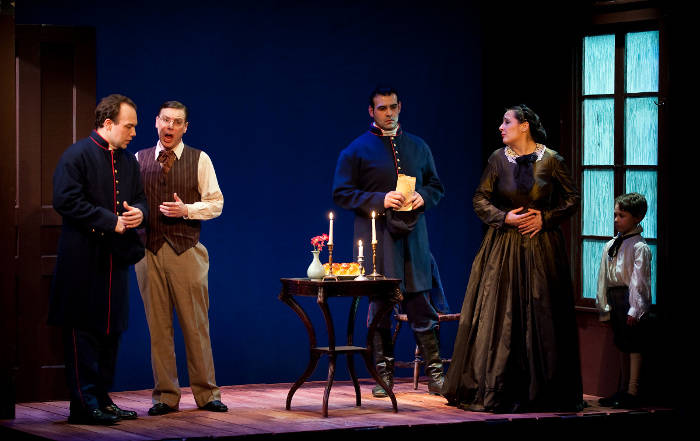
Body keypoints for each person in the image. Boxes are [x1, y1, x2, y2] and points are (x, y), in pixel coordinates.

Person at [443, 104, 583, 413]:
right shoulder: (498, 159)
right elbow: (480, 198)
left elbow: (572, 198)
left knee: (541, 312)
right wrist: (503, 217)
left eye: (507, 122)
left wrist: (546, 218)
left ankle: (542, 390)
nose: (501, 127)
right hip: (503, 247)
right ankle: (498, 387)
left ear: (524, 126)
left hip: (540, 248)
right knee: (502, 314)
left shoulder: (551, 160)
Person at [333, 86, 448, 397]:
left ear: (400, 107)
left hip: (414, 237)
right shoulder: (356, 149)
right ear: (371, 111)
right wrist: (380, 199)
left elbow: (436, 186)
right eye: (382, 108)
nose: (388, 113)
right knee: (381, 305)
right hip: (378, 237)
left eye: (393, 107)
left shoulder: (418, 146)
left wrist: (423, 197)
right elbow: (341, 193)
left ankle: (436, 375)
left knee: (421, 303)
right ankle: (383, 375)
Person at [50, 94, 147, 425]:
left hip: (114, 262)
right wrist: (110, 221)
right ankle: (84, 404)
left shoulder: (128, 162)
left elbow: (140, 199)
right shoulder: (77, 155)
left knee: (111, 333)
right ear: (108, 123)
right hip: (83, 260)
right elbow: (65, 200)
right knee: (85, 334)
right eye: (129, 126)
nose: (134, 132)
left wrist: (139, 214)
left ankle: (103, 399)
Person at [135, 101, 227, 415]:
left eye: (177, 122)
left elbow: (216, 203)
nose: (170, 126)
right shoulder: (138, 159)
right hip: (148, 251)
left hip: (186, 250)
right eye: (166, 120)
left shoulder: (199, 159)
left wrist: (186, 209)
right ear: (156, 122)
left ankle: (207, 393)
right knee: (158, 328)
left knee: (195, 325)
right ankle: (165, 396)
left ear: (185, 127)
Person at [596, 193, 651, 409]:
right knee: (621, 343)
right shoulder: (611, 244)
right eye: (615, 215)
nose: (616, 219)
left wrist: (635, 309)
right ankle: (622, 388)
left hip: (630, 300)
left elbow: (639, 281)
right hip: (615, 299)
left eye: (622, 215)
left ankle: (633, 390)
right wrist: (604, 307)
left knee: (633, 344)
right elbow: (603, 277)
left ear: (637, 217)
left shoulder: (639, 247)